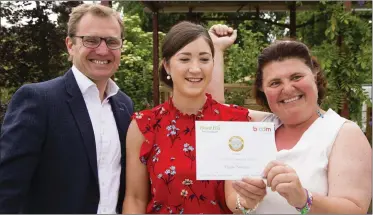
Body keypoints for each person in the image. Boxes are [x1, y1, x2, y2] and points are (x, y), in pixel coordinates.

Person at [0, 4, 133, 213]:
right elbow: (7, 188)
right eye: (91, 40)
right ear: (70, 45)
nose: (102, 49)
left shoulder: (124, 105)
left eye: (112, 42)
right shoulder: (38, 101)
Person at [214, 39, 371, 214]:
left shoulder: (343, 133)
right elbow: (214, 107)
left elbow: (355, 210)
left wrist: (303, 199)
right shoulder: (255, 127)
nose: (288, 89)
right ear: (262, 90)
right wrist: (245, 202)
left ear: (315, 74)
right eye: (275, 83)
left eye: (296, 77)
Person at [122, 21, 252, 214]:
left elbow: (238, 201)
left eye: (204, 59)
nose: (195, 69)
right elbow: (135, 199)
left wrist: (248, 201)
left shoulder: (235, 122)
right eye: (184, 59)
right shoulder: (144, 125)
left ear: (213, 64)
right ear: (167, 65)